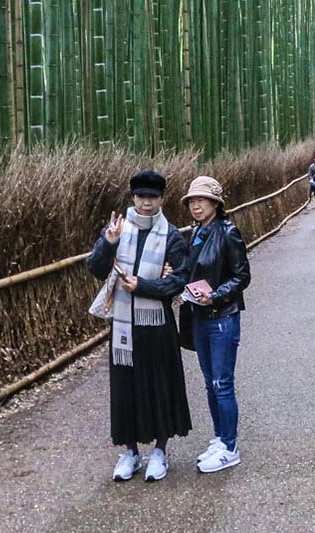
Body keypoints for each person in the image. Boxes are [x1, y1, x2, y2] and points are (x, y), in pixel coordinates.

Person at [86, 170, 191, 483]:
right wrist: (108, 243)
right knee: (125, 387)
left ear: (162, 199)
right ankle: (130, 452)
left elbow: (178, 280)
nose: (146, 203)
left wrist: (143, 286)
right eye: (141, 197)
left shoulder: (171, 234)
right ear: (133, 198)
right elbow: (95, 268)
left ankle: (160, 450)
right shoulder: (118, 228)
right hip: (123, 323)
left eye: (153, 197)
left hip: (157, 325)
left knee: (160, 385)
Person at [181, 176, 251, 473]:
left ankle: (230, 446)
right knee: (210, 383)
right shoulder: (196, 233)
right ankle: (220, 438)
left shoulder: (228, 232)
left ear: (215, 203)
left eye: (202, 200)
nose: (196, 205)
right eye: (192, 201)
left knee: (222, 384)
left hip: (222, 318)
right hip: (199, 316)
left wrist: (216, 296)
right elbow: (192, 270)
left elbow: (242, 276)